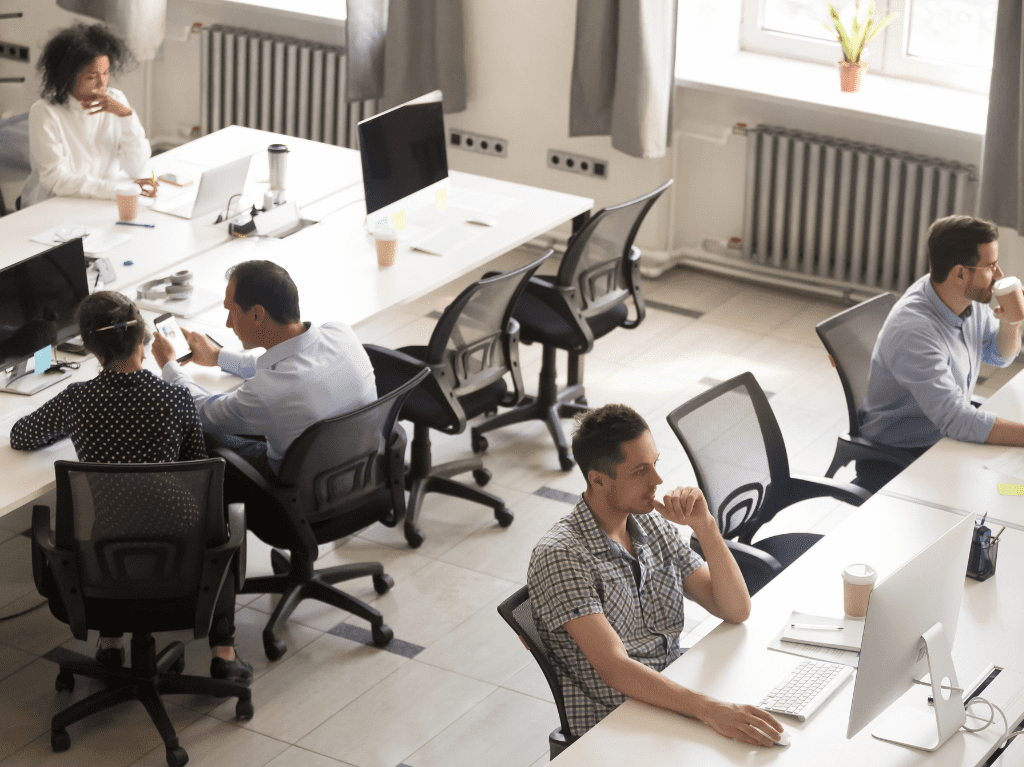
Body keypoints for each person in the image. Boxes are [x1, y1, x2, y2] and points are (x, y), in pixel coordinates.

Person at [10, 292, 251, 684]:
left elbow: (22, 436)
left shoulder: (78, 400)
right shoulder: (175, 398)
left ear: (91, 348)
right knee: (218, 527)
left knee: (114, 516)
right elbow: (197, 470)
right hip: (181, 552)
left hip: (103, 553)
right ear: (143, 340)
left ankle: (110, 642)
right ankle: (223, 651)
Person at [527, 404, 784, 746]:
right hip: (617, 723)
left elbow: (735, 609)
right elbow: (614, 667)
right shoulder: (562, 555)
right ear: (598, 480)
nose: (657, 481)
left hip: (673, 691)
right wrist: (708, 710)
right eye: (640, 471)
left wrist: (705, 526)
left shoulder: (649, 522)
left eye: (655, 464)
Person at [151, 260, 377, 540]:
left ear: (257, 315)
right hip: (359, 475)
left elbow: (201, 411)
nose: (228, 324)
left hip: (294, 503)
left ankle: (207, 552)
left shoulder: (269, 392)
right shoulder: (341, 334)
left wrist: (169, 366)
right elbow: (285, 363)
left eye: (231, 313)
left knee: (199, 435)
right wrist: (219, 357)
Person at [856, 215, 1024, 492]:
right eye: (991, 266)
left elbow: (996, 355)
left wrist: (1011, 323)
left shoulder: (964, 296)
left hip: (943, 436)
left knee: (1008, 488)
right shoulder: (915, 331)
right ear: (960, 273)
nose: (999, 276)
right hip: (902, 455)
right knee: (1003, 493)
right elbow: (957, 420)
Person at [20, 23, 157, 207]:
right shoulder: (45, 112)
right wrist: (116, 189)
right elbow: (56, 180)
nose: (102, 83)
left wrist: (126, 116)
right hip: (54, 206)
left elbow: (138, 168)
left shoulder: (116, 101)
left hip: (101, 203)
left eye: (106, 73)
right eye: (92, 77)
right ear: (68, 76)